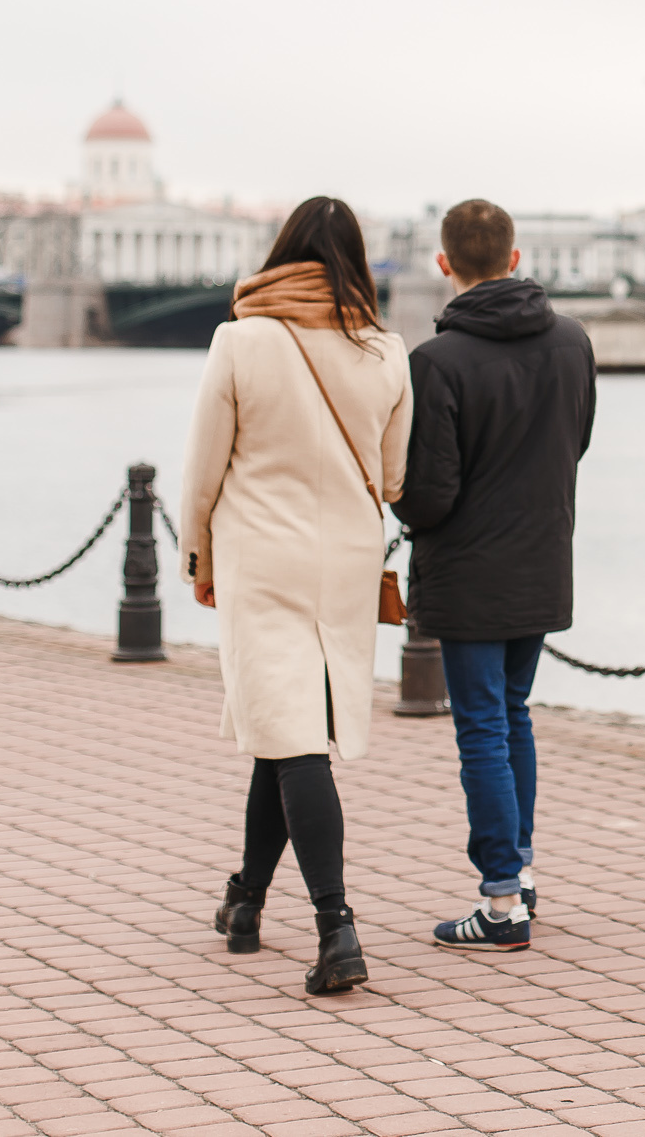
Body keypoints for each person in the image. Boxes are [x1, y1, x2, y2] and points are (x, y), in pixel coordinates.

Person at [181, 197, 411, 996]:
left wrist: (198, 557)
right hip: (345, 562)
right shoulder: (385, 351)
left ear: (281, 255)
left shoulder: (240, 340)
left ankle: (336, 925)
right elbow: (392, 477)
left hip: (261, 557)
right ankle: (244, 898)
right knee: (285, 727)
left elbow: (204, 466)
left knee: (294, 739)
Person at [394, 199, 595, 951]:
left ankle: (503, 902)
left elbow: (430, 494)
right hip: (542, 558)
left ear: (443, 264)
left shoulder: (436, 362)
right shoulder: (572, 341)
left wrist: (398, 498)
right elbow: (576, 440)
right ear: (515, 258)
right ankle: (522, 870)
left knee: (481, 724)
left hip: (469, 573)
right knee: (513, 713)